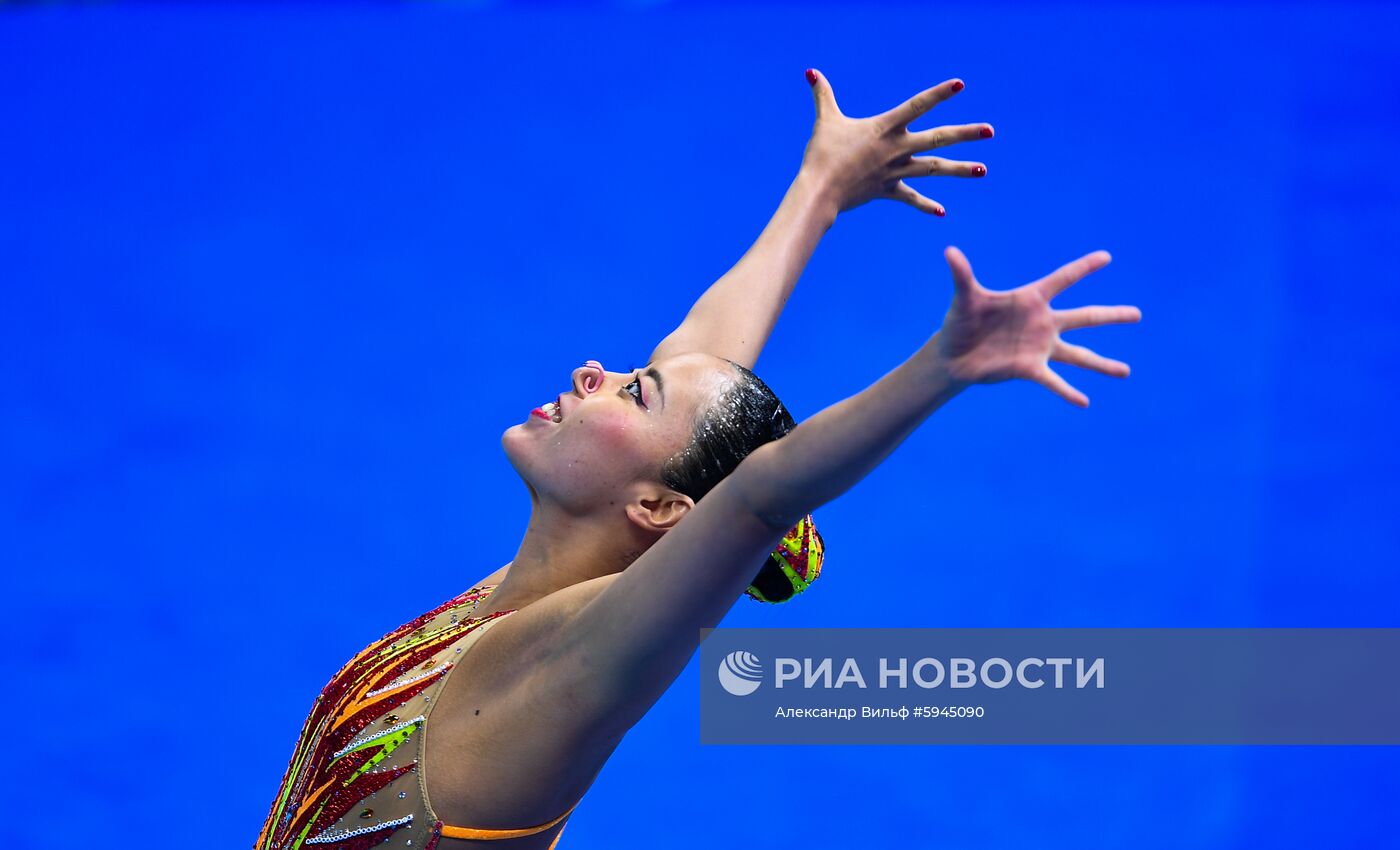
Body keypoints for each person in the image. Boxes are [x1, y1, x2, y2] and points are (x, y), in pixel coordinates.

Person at [256, 69, 1140, 850]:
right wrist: (821, 187)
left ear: (661, 510)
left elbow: (756, 492)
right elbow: (704, 367)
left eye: (631, 393)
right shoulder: (552, 575)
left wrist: (937, 370)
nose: (593, 371)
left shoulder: (570, 661)